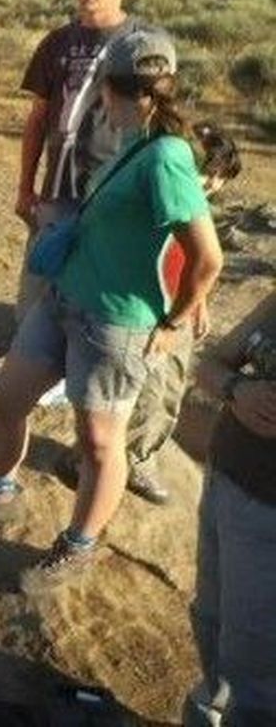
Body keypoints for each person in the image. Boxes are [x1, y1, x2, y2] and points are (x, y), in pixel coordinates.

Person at [0, 29, 225, 595]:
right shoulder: (134, 141)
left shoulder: (167, 157)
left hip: (117, 322)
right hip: (66, 299)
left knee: (99, 442)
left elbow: (207, 257)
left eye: (104, 90)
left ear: (129, 92)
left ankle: (80, 545)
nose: (99, 101)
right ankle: (0, 490)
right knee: (6, 400)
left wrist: (174, 322)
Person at [55, 126, 243, 505]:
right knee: (123, 388)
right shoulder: (161, 189)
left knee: (162, 391)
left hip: (174, 312)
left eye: (210, 175)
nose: (203, 181)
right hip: (143, 312)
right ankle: (92, 459)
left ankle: (137, 458)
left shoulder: (197, 207)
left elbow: (198, 264)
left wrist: (196, 304)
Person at [12, 0, 145, 405]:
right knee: (38, 286)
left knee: (94, 293)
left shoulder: (140, 46)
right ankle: (31, 375)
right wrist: (26, 185)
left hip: (110, 196)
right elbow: (37, 117)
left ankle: (80, 380)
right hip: (57, 191)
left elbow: (157, 124)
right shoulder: (58, 42)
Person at [184, 291, 276, 727]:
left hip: (269, 514)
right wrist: (237, 389)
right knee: (209, 615)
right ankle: (214, 702)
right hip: (224, 480)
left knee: (256, 659)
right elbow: (207, 364)